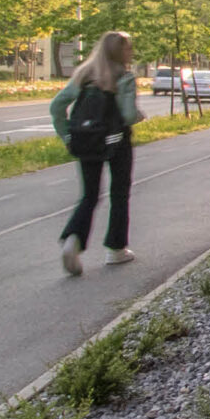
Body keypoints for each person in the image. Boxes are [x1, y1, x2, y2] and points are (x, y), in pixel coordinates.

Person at [50, 30, 143, 273]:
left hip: (85, 140)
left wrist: (67, 135)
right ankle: (116, 249)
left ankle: (73, 239)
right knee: (119, 192)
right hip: (116, 141)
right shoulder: (123, 78)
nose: (131, 52)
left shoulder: (83, 75)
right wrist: (139, 115)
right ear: (119, 52)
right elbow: (128, 115)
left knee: (89, 195)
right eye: (128, 48)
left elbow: (56, 106)